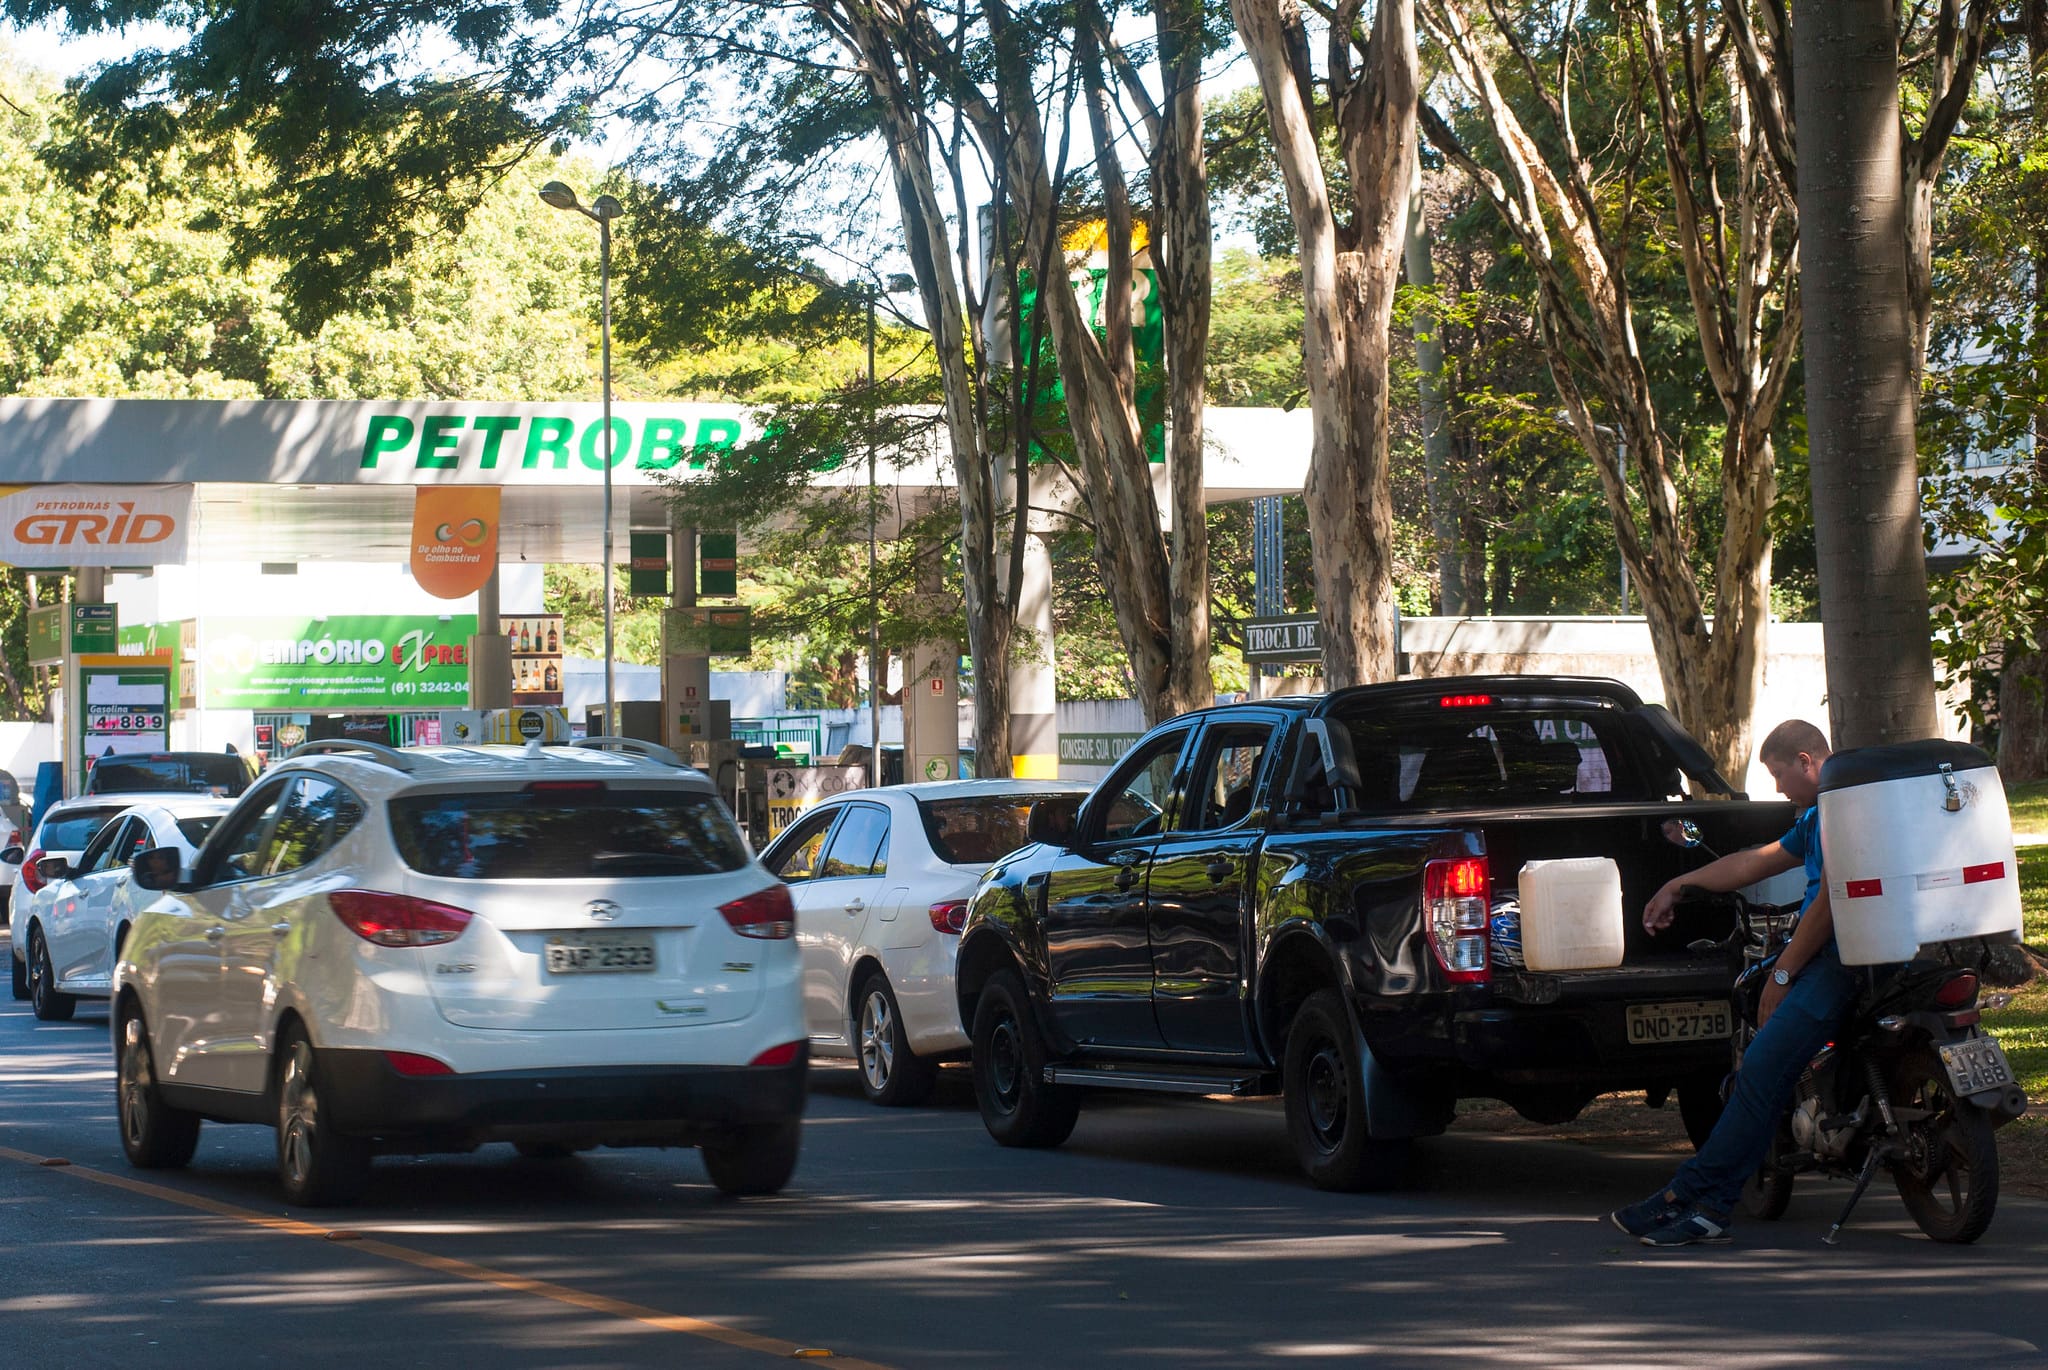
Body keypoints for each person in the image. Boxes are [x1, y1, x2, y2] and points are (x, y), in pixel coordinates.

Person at [1609, 718, 1858, 1247]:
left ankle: (1702, 1202)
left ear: (1806, 761)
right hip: (1894, 956)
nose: (1777, 788)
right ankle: (1689, 1195)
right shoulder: (1832, 811)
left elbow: (1828, 904)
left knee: (1761, 1072)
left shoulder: (1837, 812)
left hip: (1839, 962)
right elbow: (1757, 861)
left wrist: (1784, 973)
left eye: (1779, 774)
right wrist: (1680, 883)